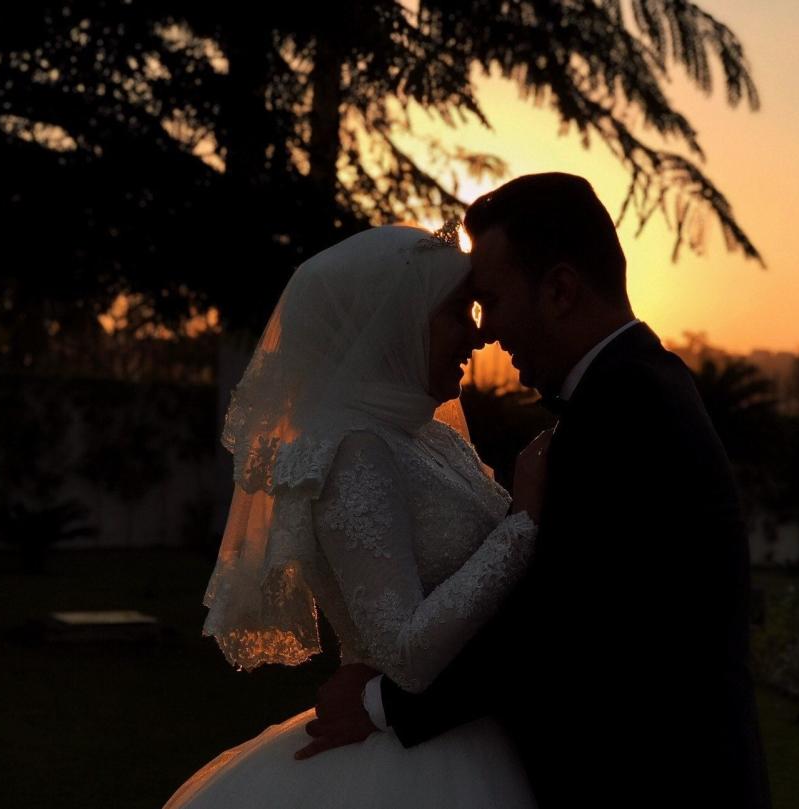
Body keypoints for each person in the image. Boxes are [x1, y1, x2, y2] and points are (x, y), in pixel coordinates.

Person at [302, 173, 773, 808]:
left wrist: (379, 704)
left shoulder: (626, 406)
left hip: (657, 777)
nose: (486, 330)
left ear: (559, 289)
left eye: (491, 300)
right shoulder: (633, 386)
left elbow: (557, 622)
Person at [161, 224, 549, 808]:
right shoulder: (352, 450)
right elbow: (405, 652)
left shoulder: (428, 438)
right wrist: (523, 523)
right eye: (453, 314)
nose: (476, 335)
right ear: (391, 324)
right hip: (412, 763)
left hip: (467, 728)